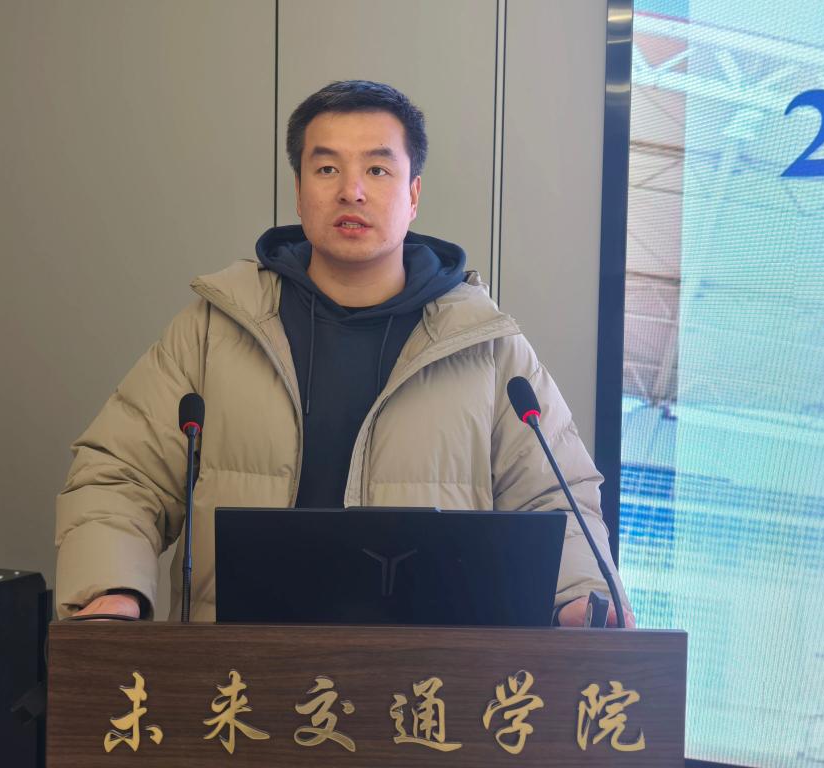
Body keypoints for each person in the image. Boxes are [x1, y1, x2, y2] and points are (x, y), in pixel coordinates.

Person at [55, 80, 634, 627]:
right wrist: (113, 589)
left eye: (377, 169)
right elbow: (120, 475)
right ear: (299, 192)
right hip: (236, 677)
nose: (351, 191)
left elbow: (557, 497)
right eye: (327, 168)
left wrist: (579, 599)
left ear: (413, 194)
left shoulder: (487, 346)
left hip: (429, 682)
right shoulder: (215, 328)